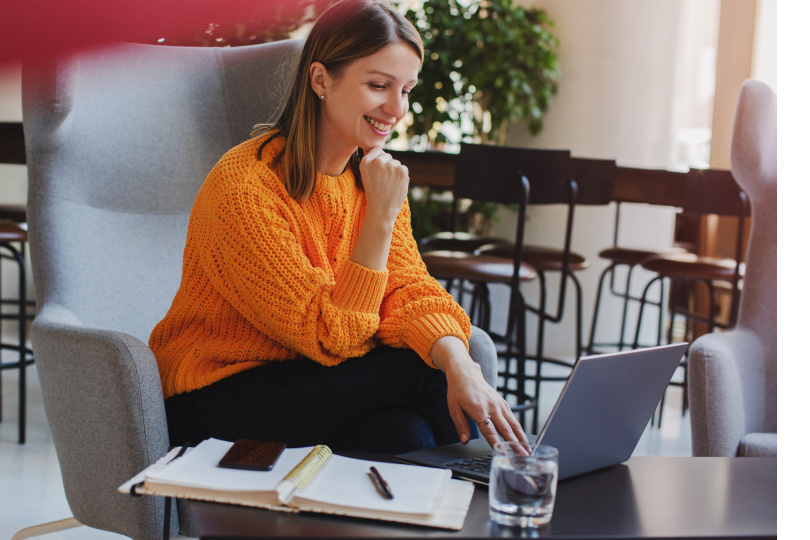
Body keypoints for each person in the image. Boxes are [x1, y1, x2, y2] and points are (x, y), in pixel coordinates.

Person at [150, 0, 528, 453]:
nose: (397, 108)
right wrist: (380, 219)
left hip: (314, 386)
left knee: (407, 434)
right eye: (378, 85)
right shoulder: (247, 186)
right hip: (215, 395)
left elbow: (410, 291)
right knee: (422, 375)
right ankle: (505, 492)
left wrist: (460, 363)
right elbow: (330, 336)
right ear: (320, 80)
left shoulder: (371, 181)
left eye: (406, 89)